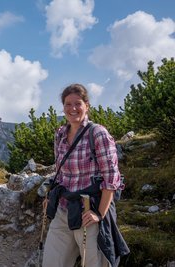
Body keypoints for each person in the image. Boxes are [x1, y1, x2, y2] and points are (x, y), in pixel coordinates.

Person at [42, 84, 129, 267]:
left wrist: (99, 213)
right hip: (63, 208)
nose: (73, 109)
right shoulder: (60, 134)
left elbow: (111, 179)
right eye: (68, 104)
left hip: (88, 211)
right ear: (63, 106)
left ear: (87, 105)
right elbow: (60, 172)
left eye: (78, 103)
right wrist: (51, 196)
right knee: (51, 262)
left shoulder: (97, 133)